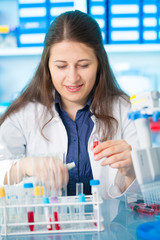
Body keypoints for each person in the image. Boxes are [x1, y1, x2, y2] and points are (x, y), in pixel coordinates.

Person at [0, 10, 139, 199]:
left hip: (110, 227)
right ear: (47, 65)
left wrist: (131, 171)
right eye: (61, 66)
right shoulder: (23, 113)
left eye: (83, 65)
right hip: (46, 227)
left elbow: (145, 197)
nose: (72, 78)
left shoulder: (126, 110)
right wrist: (23, 166)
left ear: (99, 63)